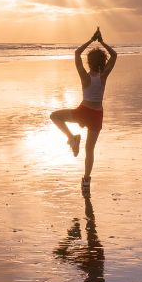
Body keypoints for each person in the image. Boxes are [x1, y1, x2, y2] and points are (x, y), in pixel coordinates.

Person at [50, 27, 117, 185]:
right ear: (103, 62)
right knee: (89, 150)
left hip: (83, 112)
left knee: (55, 116)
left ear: (89, 62)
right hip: (96, 115)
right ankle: (86, 180)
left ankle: (72, 137)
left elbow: (76, 53)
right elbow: (114, 55)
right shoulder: (104, 76)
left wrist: (90, 40)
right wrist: (101, 42)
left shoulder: (84, 76)